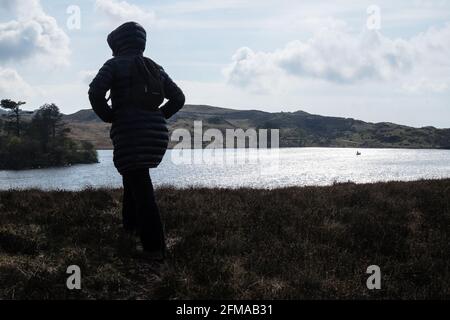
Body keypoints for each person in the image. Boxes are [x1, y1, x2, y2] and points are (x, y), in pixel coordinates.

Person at [88, 22, 185, 262]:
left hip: (130, 132)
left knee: (141, 187)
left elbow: (95, 92)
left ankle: (154, 248)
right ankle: (129, 229)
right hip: (156, 133)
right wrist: (158, 117)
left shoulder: (114, 65)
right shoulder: (155, 67)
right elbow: (179, 98)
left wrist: (109, 116)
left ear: (118, 44)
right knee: (133, 179)